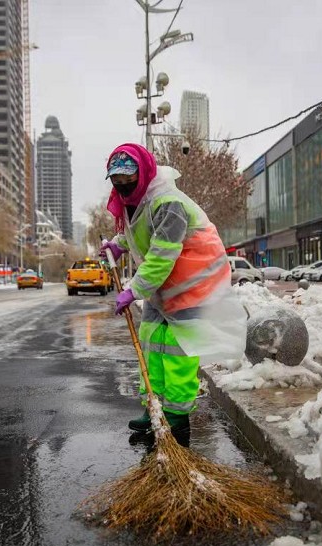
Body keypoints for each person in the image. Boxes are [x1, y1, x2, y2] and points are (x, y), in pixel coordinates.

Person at [100, 143, 247, 436]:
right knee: (152, 338)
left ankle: (177, 417)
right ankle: (153, 406)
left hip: (193, 280)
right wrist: (119, 244)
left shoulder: (169, 203)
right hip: (166, 284)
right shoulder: (138, 202)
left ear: (142, 174)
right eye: (116, 180)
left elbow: (162, 253)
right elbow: (141, 234)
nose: (122, 185)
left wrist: (135, 289)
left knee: (178, 348)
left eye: (127, 178)